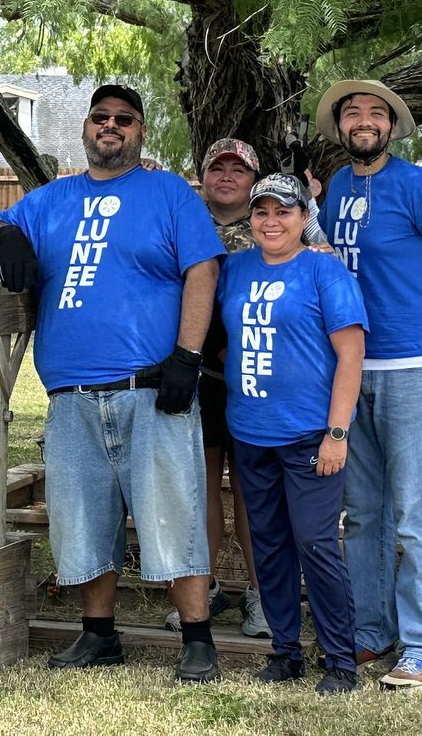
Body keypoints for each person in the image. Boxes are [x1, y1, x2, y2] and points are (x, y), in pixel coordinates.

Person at [0, 84, 225, 683]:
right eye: (101, 118)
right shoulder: (51, 200)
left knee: (175, 511)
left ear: (140, 132)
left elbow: (203, 269)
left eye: (125, 119)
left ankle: (196, 638)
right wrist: (6, 236)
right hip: (71, 394)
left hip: (151, 386)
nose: (111, 126)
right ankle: (99, 636)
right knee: (81, 517)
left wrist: (187, 358)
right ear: (85, 128)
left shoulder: (168, 193)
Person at [314, 79, 422, 688]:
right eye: (352, 112)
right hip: (352, 372)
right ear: (339, 127)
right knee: (364, 513)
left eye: (376, 112)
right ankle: (371, 632)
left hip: (413, 370)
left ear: (392, 126)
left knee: (415, 514)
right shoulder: (337, 187)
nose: (364, 120)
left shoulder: (418, 186)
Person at [218, 173, 368, 695]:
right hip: (251, 433)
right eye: (261, 212)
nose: (271, 221)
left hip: (309, 436)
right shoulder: (233, 270)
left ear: (305, 217)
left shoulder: (324, 271)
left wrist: (337, 432)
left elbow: (351, 354)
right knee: (270, 546)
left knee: (316, 543)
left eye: (283, 211)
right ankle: (285, 652)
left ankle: (341, 660)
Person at [166, 137, 267, 639]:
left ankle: (261, 594)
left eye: (239, 170)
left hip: (255, 375)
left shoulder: (272, 224)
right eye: (217, 168)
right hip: (198, 371)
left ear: (253, 179)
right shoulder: (184, 219)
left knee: (253, 487)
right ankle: (202, 588)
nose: (227, 177)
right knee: (201, 483)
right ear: (203, 175)